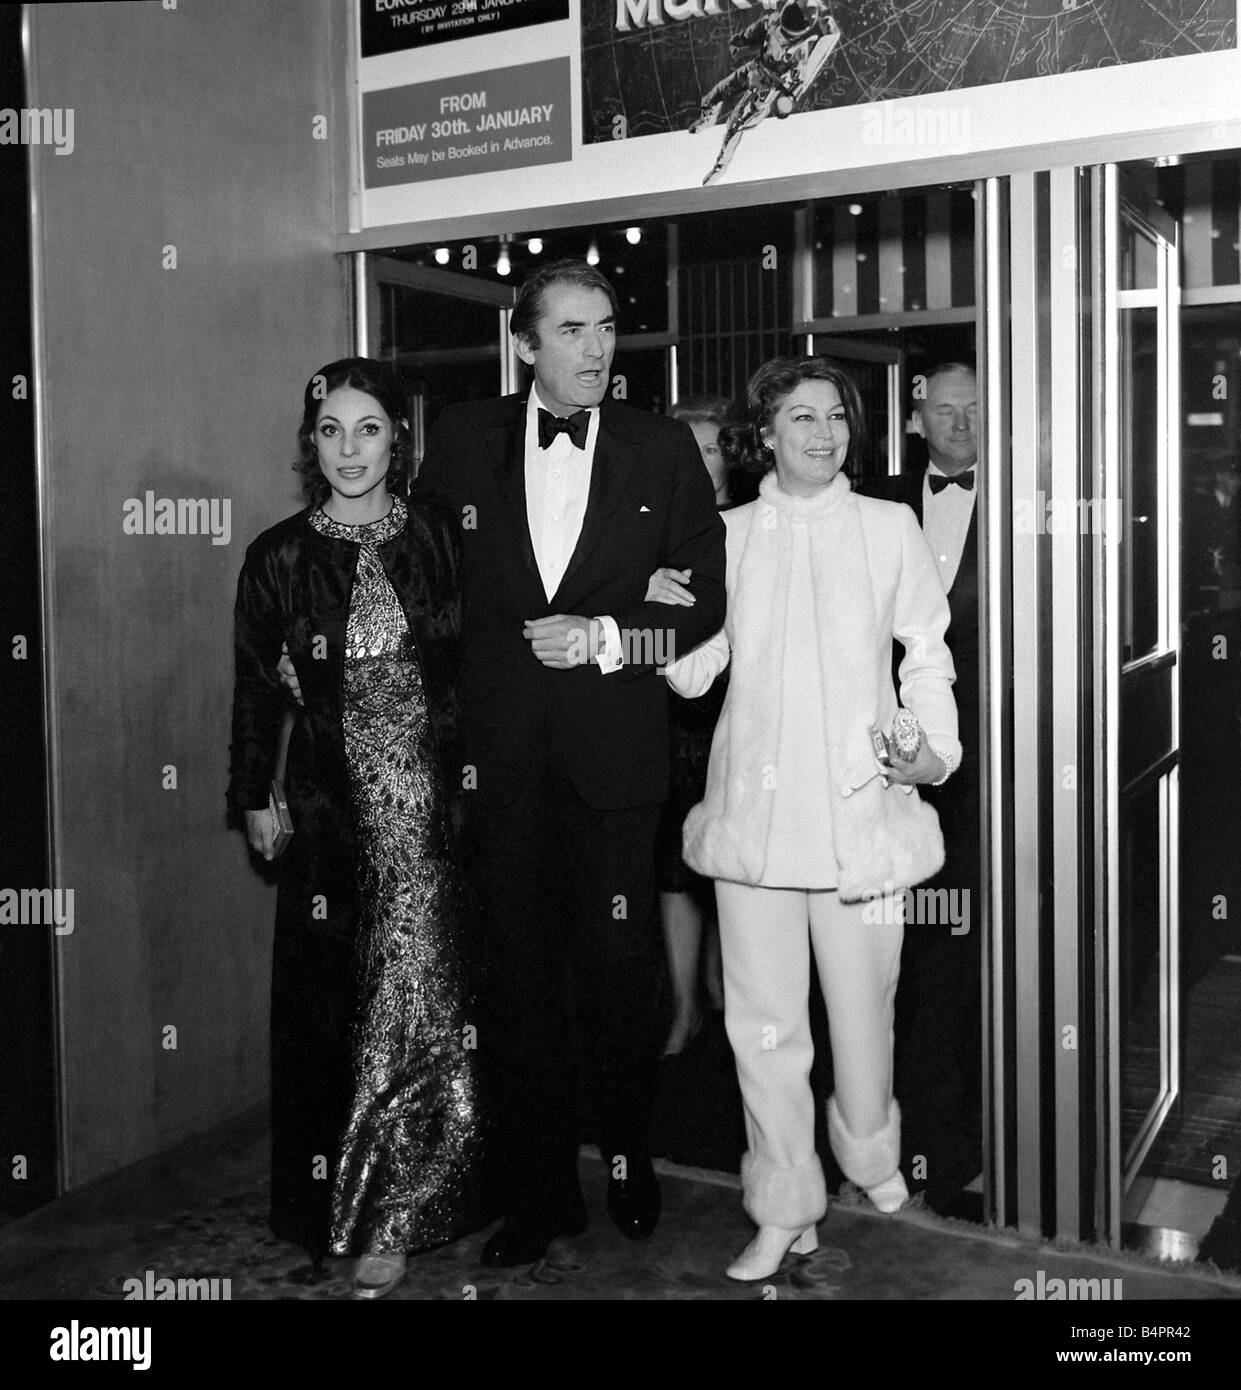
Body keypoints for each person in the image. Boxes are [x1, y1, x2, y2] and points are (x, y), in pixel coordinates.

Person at [412, 259, 727, 1268]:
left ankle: (629, 1156)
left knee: (615, 974)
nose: (596, 348)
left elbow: (701, 599)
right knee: (516, 990)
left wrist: (604, 633)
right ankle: (539, 1192)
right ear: (525, 344)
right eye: (573, 330)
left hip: (613, 764)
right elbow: (423, 581)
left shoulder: (657, 444)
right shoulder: (461, 441)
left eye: (605, 328)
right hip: (497, 768)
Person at [662, 356, 960, 1281]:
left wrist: (931, 749)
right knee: (762, 1026)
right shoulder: (726, 534)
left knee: (863, 1015)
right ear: (765, 434)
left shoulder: (888, 525)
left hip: (862, 819)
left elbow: (925, 653)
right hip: (754, 825)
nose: (823, 433)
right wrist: (652, 613)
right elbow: (690, 670)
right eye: (800, 418)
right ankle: (784, 1203)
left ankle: (870, 1155)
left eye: (834, 417)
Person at [228, 357, 484, 1299]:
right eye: (331, 431)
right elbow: (255, 693)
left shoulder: (442, 543)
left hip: (435, 816)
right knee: (333, 1012)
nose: (349, 449)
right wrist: (255, 793)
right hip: (335, 819)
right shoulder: (277, 559)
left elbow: (485, 669)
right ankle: (332, 1202)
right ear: (311, 444)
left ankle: (404, 1210)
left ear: (397, 440)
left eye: (367, 429)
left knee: (422, 1010)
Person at [860, 361, 982, 1217]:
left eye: (974, 410)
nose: (960, 425)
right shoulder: (875, 502)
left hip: (992, 754)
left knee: (965, 925)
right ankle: (884, 1106)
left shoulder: (1026, 497)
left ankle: (964, 1105)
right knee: (890, 929)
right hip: (885, 750)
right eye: (944, 411)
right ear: (917, 418)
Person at [657, 397, 732, 1055]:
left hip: (740, 712)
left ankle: (723, 988)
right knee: (674, 867)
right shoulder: (649, 529)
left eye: (711, 447)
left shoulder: (752, 523)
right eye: (688, 448)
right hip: (669, 714)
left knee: (732, 866)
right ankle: (685, 1004)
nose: (699, 460)